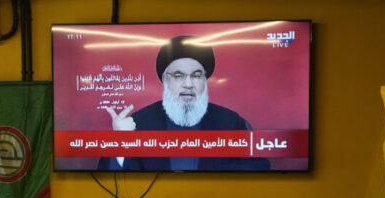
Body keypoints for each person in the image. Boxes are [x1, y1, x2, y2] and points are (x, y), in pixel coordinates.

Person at [98, 35, 270, 172]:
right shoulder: (139, 124)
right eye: (179, 76)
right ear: (166, 80)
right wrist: (119, 143)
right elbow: (109, 178)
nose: (188, 84)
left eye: (196, 75)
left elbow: (259, 167)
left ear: (204, 80)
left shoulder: (231, 123)